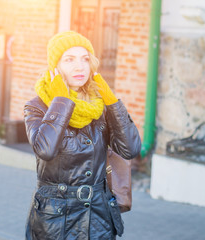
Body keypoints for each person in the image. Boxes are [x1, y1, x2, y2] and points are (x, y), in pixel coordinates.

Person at [24, 31, 141, 240]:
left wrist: (112, 102)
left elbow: (130, 149)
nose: (80, 67)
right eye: (69, 60)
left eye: (85, 59)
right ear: (55, 67)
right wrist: (61, 100)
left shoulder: (100, 106)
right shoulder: (37, 107)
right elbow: (45, 149)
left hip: (98, 218)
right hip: (56, 220)